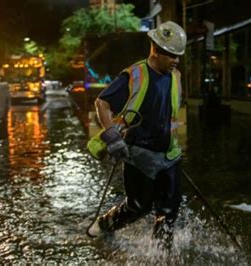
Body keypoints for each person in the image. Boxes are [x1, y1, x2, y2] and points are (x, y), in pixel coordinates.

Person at [87, 21, 187, 250]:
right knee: (138, 206)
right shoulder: (134, 75)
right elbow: (102, 102)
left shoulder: (176, 76)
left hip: (169, 153)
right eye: (172, 55)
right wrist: (113, 137)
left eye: (178, 55)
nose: (176, 60)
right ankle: (105, 224)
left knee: (170, 208)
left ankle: (161, 255)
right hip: (139, 154)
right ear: (156, 49)